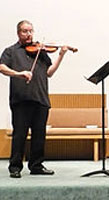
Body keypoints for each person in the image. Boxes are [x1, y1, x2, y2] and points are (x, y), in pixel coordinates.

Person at [0, 20, 71, 178]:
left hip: (41, 99)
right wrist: (19, 73)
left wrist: (61, 55)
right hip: (21, 100)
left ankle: (36, 165)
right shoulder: (11, 51)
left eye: (31, 31)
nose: (29, 34)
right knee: (20, 134)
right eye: (25, 31)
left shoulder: (41, 51)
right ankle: (15, 167)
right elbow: (2, 67)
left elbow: (49, 72)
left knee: (39, 135)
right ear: (18, 33)